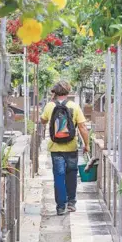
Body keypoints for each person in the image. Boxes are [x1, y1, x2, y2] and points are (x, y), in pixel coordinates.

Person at [41, 81, 89, 215]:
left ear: (55, 92)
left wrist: (51, 103)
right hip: (71, 147)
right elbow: (83, 127)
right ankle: (71, 203)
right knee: (71, 175)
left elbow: (43, 121)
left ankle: (60, 206)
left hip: (55, 148)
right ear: (68, 92)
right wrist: (87, 144)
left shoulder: (50, 106)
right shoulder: (74, 106)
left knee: (58, 176)